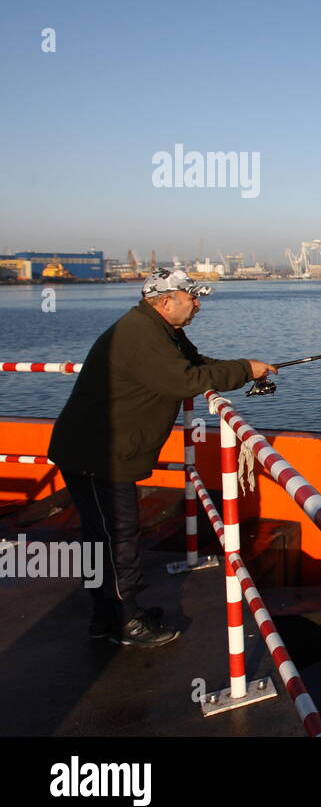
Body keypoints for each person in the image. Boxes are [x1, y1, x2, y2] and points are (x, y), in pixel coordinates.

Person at [48, 269, 278, 647]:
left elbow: (195, 363)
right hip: (98, 454)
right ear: (166, 301)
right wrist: (244, 370)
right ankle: (124, 622)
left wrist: (245, 367)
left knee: (99, 537)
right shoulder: (141, 334)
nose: (199, 305)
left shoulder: (159, 330)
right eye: (192, 299)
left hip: (97, 448)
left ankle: (104, 615)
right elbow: (184, 381)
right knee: (117, 536)